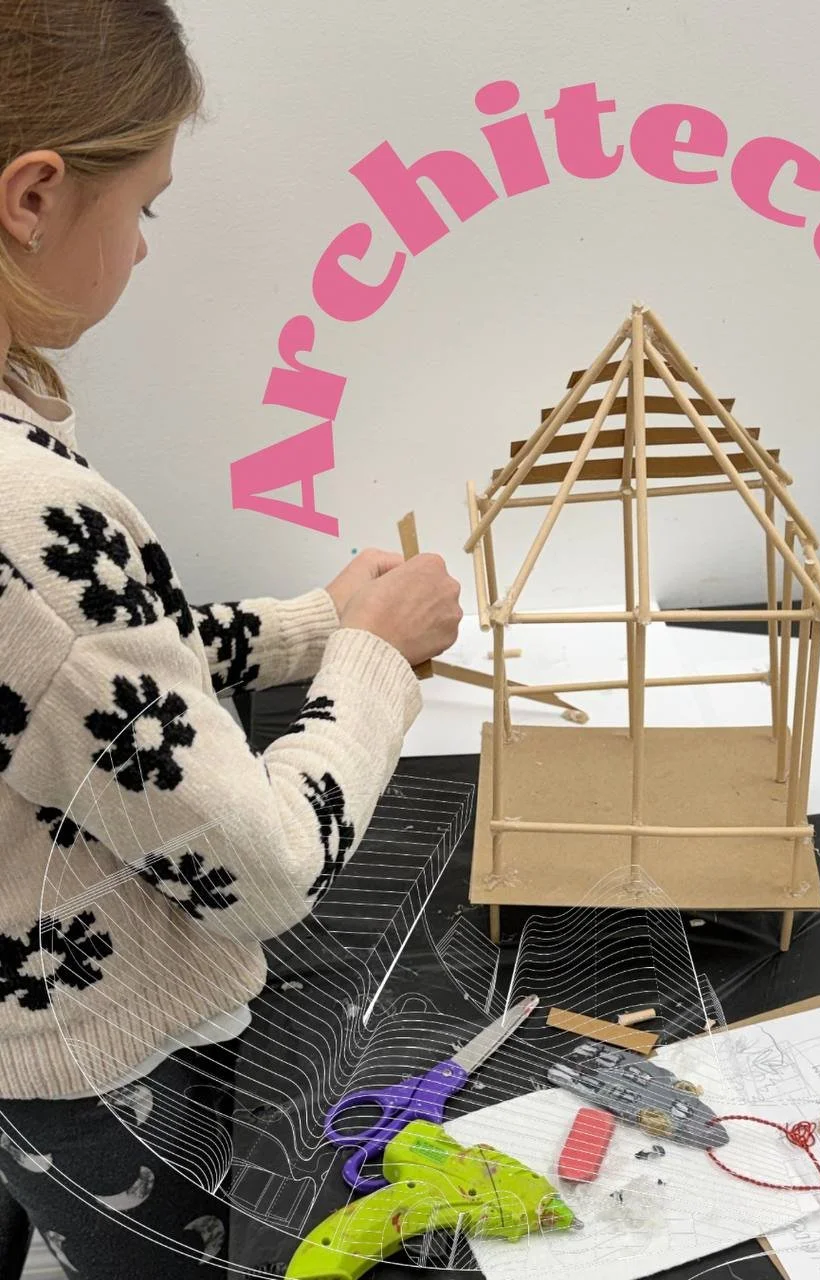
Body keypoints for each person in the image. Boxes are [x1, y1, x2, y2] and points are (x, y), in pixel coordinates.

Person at [0, 3, 462, 1275]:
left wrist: (316, 625)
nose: (147, 244)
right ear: (34, 196)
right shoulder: (24, 509)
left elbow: (73, 676)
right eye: (144, 203)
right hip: (89, 1066)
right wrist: (375, 662)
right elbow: (260, 867)